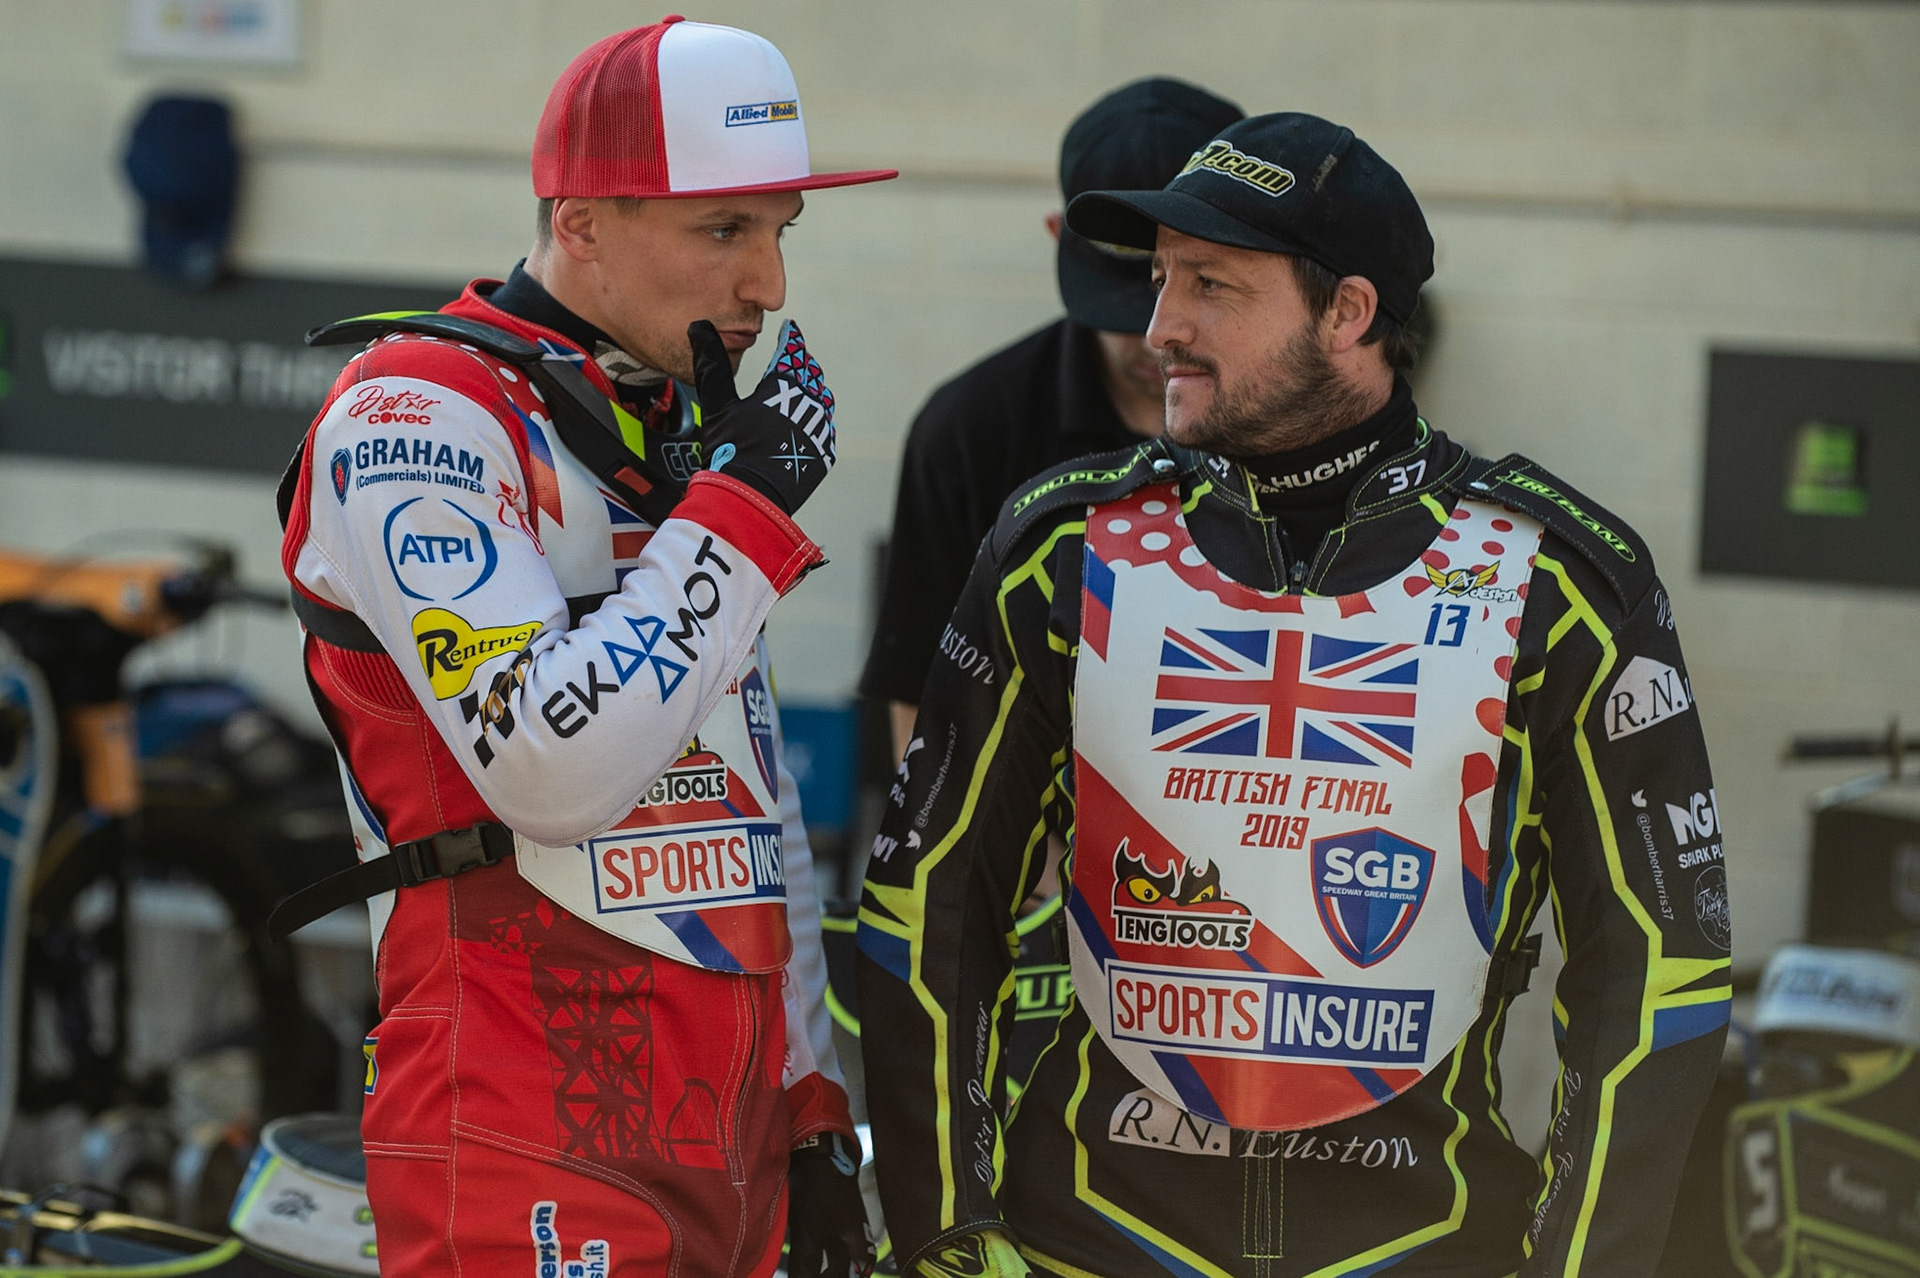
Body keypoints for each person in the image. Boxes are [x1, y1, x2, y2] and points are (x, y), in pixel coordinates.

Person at [857, 112, 1732, 1277]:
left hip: (1424, 1246)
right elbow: (929, 908)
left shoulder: (1556, 580)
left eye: (1210, 285)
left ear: (1349, 312)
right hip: (1092, 1240)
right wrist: (947, 1234)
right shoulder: (1064, 549)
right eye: (1161, 280)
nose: (1160, 327)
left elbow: (1657, 970)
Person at [275, 17, 892, 1276]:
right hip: (520, 1118)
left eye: (781, 231)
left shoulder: (665, 417)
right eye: (725, 231)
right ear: (583, 222)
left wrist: (811, 1096)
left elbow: (747, 787)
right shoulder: (415, 411)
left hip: (727, 1118)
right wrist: (742, 514)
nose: (769, 285)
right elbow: (550, 773)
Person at [861, 78, 1242, 758]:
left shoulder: (1299, 418)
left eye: (1201, 288)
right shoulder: (969, 433)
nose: (1159, 336)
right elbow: (924, 701)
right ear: (1056, 238)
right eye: (1127, 307)